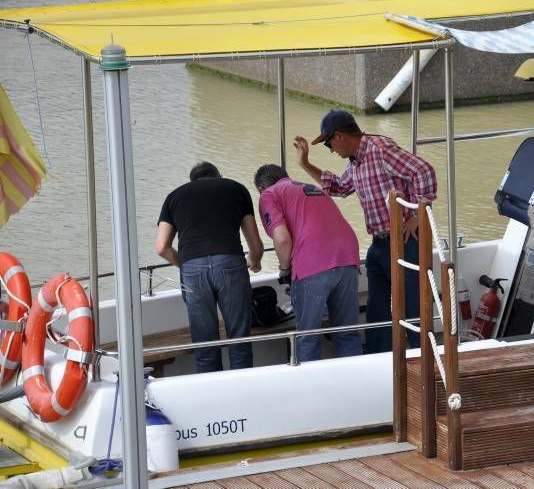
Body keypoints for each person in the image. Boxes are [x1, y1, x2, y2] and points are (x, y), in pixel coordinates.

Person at [294, 109, 437, 353]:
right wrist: (305, 163)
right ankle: (380, 360)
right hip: (379, 245)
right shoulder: (356, 162)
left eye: (329, 143)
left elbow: (423, 171)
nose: (331, 150)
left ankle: (421, 361)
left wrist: (416, 214)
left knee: (413, 308)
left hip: (405, 241)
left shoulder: (380, 149)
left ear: (339, 136)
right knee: (377, 311)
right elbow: (339, 187)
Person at [156, 161, 264, 373]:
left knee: (205, 345)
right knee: (239, 339)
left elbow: (162, 247)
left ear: (192, 181)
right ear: (218, 176)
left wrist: (185, 266)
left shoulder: (174, 197)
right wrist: (255, 260)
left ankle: (210, 399)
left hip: (192, 269)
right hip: (230, 263)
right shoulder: (236, 189)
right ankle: (244, 395)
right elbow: (256, 245)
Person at [254, 164, 361, 362]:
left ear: (261, 188)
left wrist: (285, 269)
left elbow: (282, 239)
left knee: (308, 337)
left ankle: (312, 391)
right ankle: (353, 385)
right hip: (348, 257)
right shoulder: (312, 188)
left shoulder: (268, 194)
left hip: (313, 262)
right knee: (347, 333)